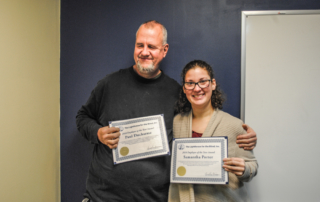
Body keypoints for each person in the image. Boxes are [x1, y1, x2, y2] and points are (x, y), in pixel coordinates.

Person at [76, 20, 257, 202]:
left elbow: (204, 125)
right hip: (102, 196)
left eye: (152, 47)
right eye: (140, 45)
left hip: (155, 198)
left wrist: (242, 135)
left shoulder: (176, 92)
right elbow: (82, 117)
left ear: (164, 50)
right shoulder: (109, 84)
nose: (144, 52)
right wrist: (98, 133)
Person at [168, 60, 258, 202]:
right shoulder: (176, 122)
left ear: (213, 84)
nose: (197, 89)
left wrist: (245, 169)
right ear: (184, 89)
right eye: (190, 83)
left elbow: (252, 165)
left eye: (203, 81)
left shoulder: (234, 125)